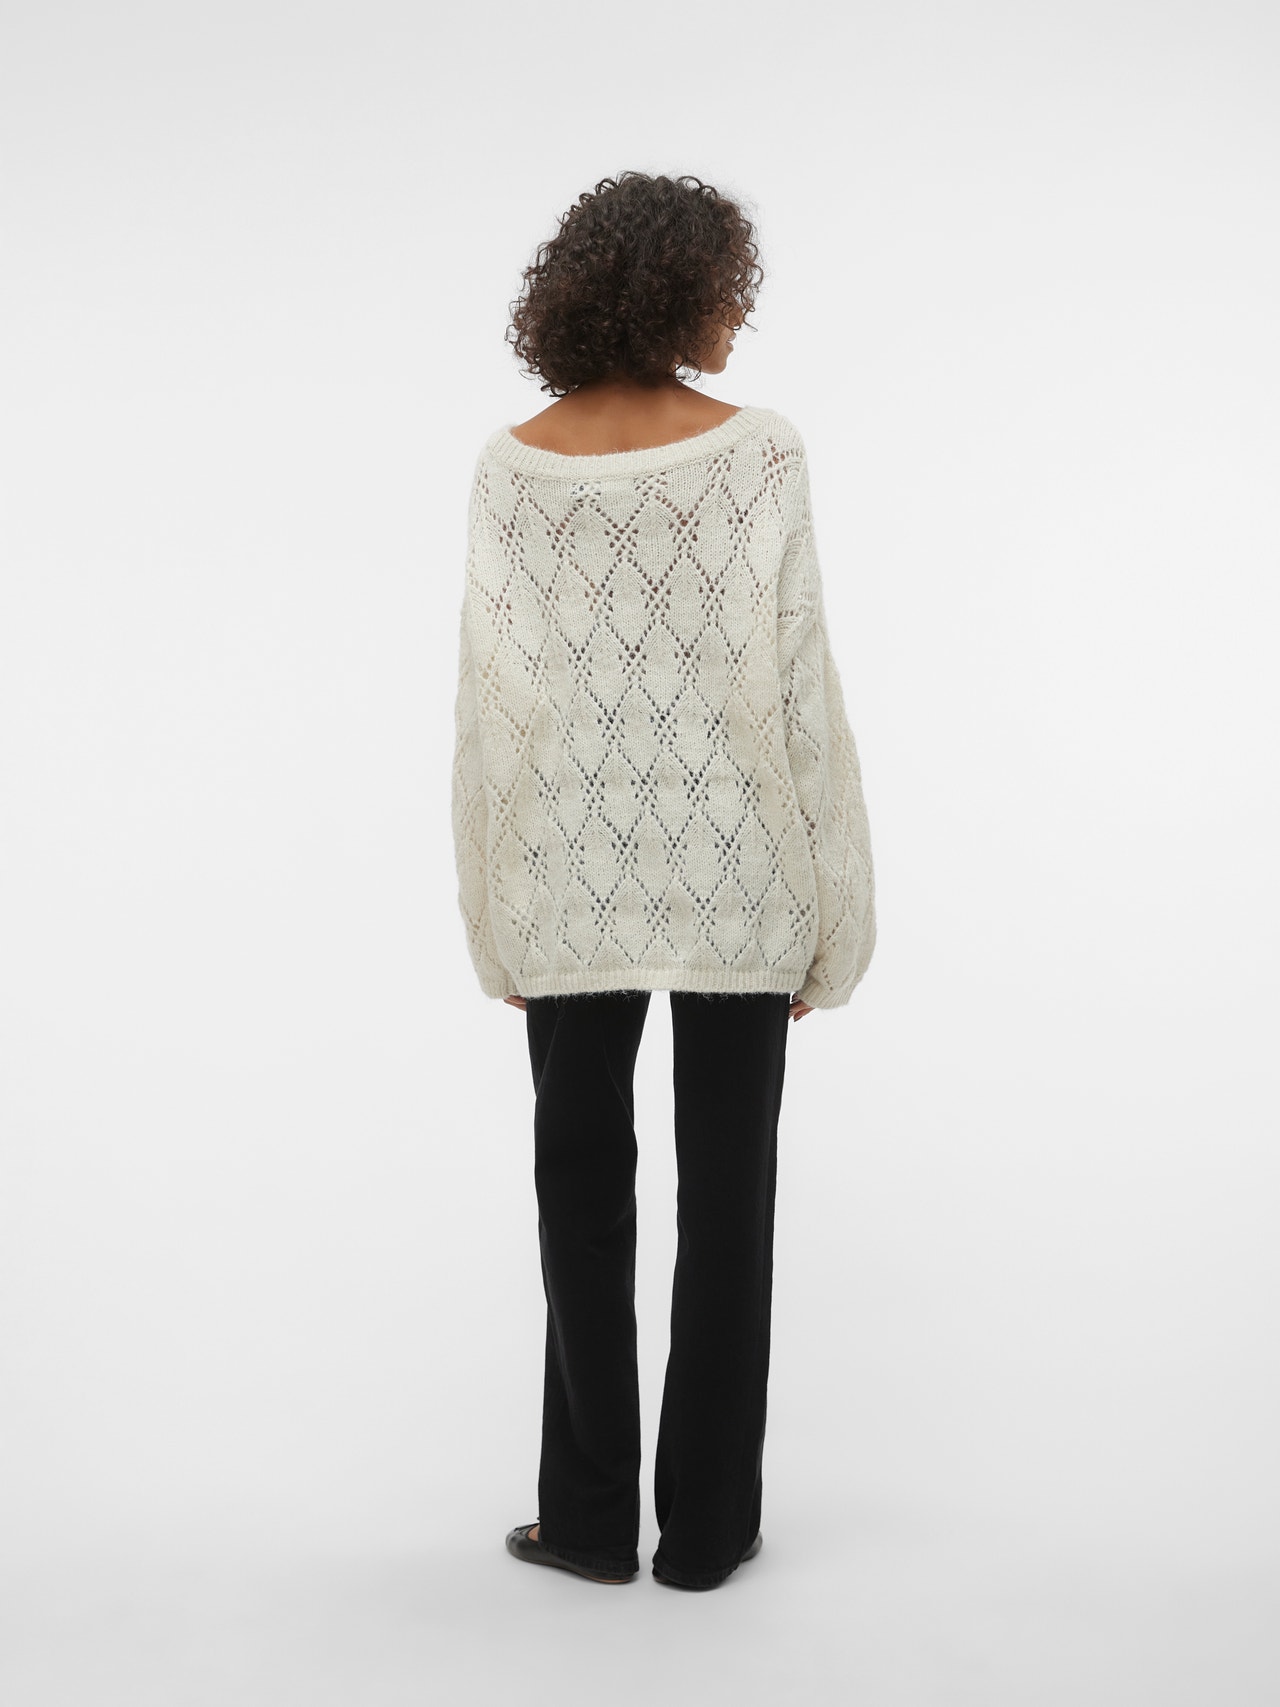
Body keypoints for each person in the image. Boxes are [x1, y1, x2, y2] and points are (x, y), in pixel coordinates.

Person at [450, 171, 877, 1590]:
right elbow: (802, 696)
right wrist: (834, 919)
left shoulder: (511, 466)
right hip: (744, 878)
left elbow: (491, 709)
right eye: (732, 288)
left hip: (565, 882)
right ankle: (705, 1531)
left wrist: (494, 920)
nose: (739, 314)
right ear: (693, 290)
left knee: (577, 1196)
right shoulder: (760, 453)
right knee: (729, 1205)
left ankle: (584, 1521)